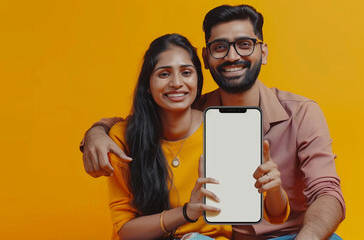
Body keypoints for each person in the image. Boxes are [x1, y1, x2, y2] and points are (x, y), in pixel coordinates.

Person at [81, 5, 345, 240]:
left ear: (263, 52)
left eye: (244, 44)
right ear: (206, 58)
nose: (232, 56)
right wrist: (97, 132)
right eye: (220, 47)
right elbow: (143, 120)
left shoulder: (302, 113)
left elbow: (327, 192)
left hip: (289, 235)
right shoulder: (191, 107)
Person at [106, 33, 289, 240]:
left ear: (197, 80)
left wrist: (274, 188)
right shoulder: (124, 138)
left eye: (186, 72)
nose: (176, 83)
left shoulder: (225, 130)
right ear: (147, 85)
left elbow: (275, 216)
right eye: (164, 74)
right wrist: (186, 213)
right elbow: (124, 230)